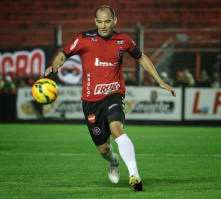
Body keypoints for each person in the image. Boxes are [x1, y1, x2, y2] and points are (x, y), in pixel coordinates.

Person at [45, 5, 176, 191]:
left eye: (107, 21)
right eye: (100, 22)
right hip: (90, 101)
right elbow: (63, 55)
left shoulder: (124, 40)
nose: (103, 25)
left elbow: (141, 58)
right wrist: (55, 66)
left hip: (114, 94)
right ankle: (114, 161)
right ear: (95, 22)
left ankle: (134, 175)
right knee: (104, 149)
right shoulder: (83, 39)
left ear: (115, 21)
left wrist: (160, 81)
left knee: (117, 128)